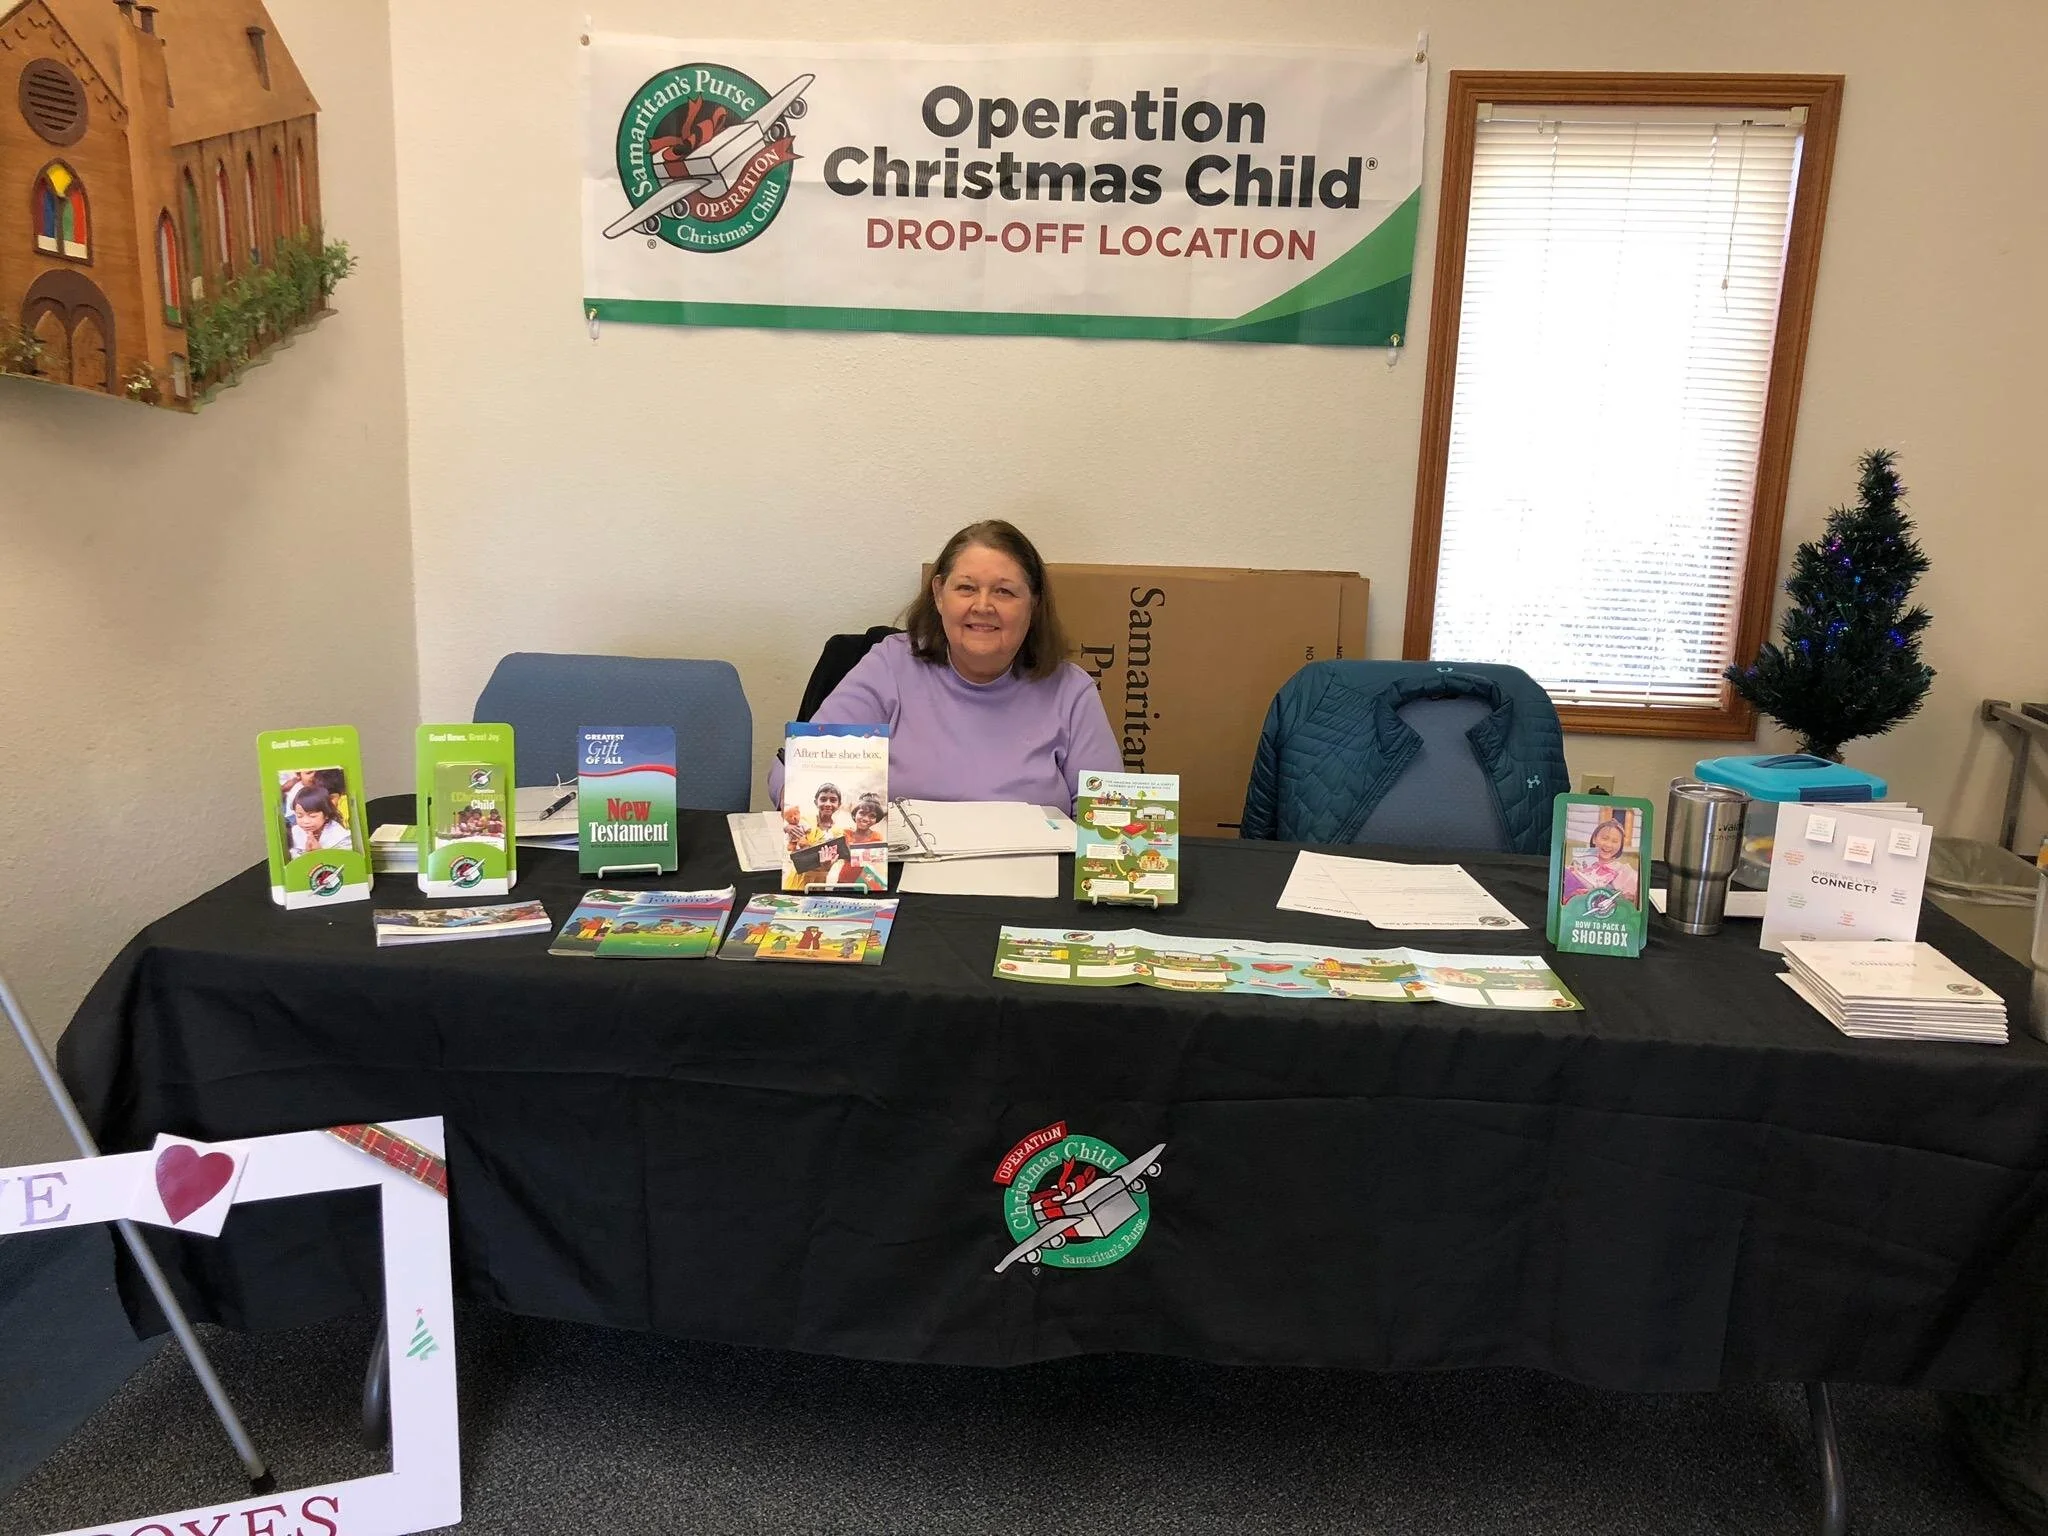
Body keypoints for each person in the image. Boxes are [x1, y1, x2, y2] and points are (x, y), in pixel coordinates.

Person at [769, 520, 1119, 809]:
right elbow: (791, 773)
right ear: (939, 594)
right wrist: (806, 806)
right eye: (966, 588)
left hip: (1032, 873)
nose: (983, 606)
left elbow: (1109, 817)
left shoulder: (1071, 691)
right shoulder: (889, 666)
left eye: (1004, 592)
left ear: (1034, 604)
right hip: (906, 870)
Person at [1561, 816, 1640, 904]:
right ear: (1594, 839)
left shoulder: (1624, 871)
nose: (1608, 845)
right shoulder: (1580, 862)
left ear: (1621, 845)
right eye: (1604, 838)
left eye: (1615, 841)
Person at [287, 785, 353, 857]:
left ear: (326, 814)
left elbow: (345, 860)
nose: (305, 821)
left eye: (312, 816)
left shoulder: (340, 836)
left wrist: (319, 852)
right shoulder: (293, 833)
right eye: (299, 816)